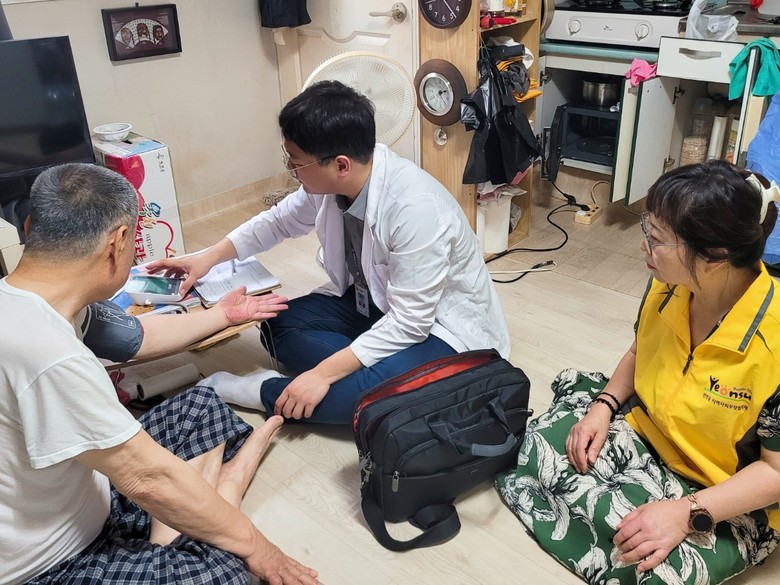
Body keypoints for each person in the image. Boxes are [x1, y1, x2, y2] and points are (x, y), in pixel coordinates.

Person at [0, 163, 321, 585]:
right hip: (53, 563)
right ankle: (225, 490)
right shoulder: (50, 355)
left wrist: (224, 315)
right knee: (228, 573)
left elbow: (138, 337)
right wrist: (258, 547)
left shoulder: (40, 300)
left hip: (87, 493)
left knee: (203, 405)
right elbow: (145, 478)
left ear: (29, 226)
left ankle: (192, 522)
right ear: (118, 242)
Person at [148, 80, 510, 424]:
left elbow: (411, 321)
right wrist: (206, 258)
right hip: (375, 307)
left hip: (438, 330)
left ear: (340, 165)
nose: (291, 169)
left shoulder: (415, 209)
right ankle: (375, 373)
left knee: (371, 400)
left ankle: (256, 389)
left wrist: (323, 373)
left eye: (296, 161)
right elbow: (277, 222)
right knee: (277, 324)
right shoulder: (333, 185)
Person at [497, 161, 780, 584]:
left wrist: (685, 514)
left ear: (715, 257)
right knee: (530, 444)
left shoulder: (774, 342)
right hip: (646, 430)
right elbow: (639, 350)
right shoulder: (667, 283)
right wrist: (603, 407)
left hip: (721, 489)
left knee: (652, 571)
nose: (644, 244)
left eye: (657, 237)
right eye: (648, 227)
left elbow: (775, 473)